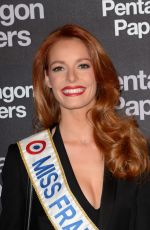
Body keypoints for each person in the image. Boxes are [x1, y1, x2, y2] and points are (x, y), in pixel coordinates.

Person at [0, 24, 150, 230]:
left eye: (83, 66)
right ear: (47, 79)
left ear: (98, 72)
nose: (71, 78)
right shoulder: (23, 160)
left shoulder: (132, 150)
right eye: (59, 68)